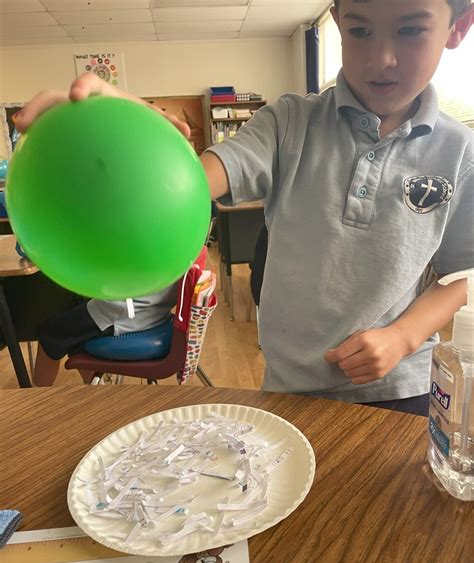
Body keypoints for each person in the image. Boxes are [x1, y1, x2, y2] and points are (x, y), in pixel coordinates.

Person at [16, 0, 473, 414]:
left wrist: (401, 337)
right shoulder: (288, 122)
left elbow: (459, 276)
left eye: (411, 30)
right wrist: (135, 135)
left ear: (458, 27)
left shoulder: (460, 153)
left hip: (403, 386)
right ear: (337, 24)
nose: (382, 58)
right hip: (290, 387)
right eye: (360, 31)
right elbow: (193, 184)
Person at [33, 286, 177, 386]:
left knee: (49, 334)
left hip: (124, 312)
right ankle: (96, 388)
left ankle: (34, 401)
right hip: (158, 311)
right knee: (74, 325)